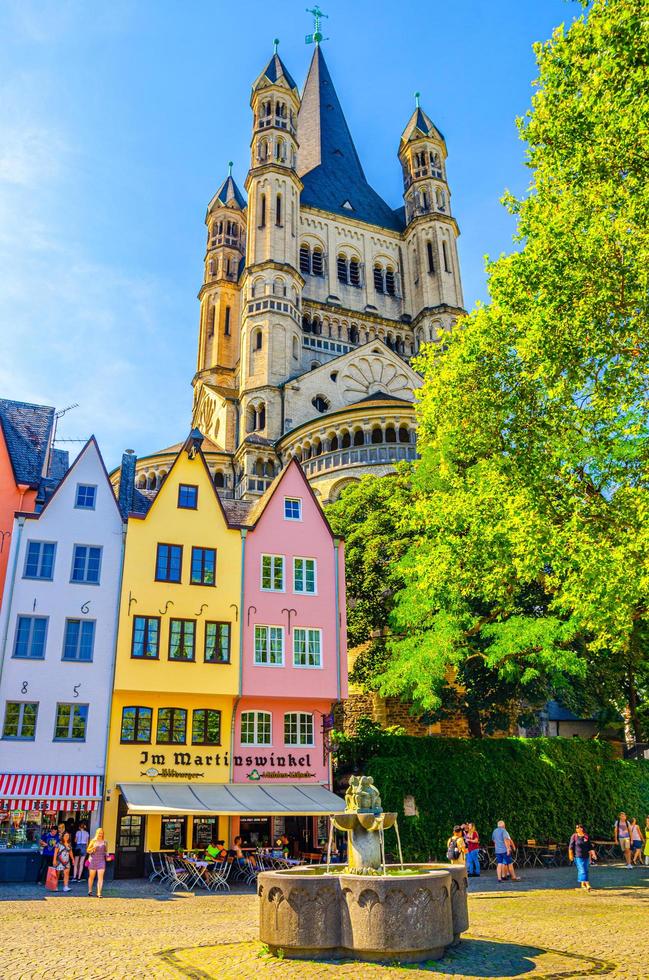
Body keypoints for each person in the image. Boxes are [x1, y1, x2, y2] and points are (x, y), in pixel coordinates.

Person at [568, 823, 597, 891]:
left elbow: (590, 846)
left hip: (586, 856)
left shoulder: (586, 836)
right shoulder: (574, 836)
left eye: (580, 827)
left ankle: (582, 884)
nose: (578, 828)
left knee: (585, 870)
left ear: (582, 828)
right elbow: (570, 847)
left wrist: (593, 854)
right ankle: (587, 884)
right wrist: (570, 855)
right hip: (578, 856)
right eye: (577, 827)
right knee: (582, 870)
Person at [87, 827, 108, 898]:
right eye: (99, 833)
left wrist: (108, 856)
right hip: (93, 860)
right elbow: (88, 851)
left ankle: (99, 893)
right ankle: (90, 890)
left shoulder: (105, 842)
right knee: (91, 877)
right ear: (96, 833)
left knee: (100, 878)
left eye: (101, 833)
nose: (100, 834)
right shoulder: (93, 841)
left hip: (101, 861)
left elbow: (105, 851)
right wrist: (93, 848)